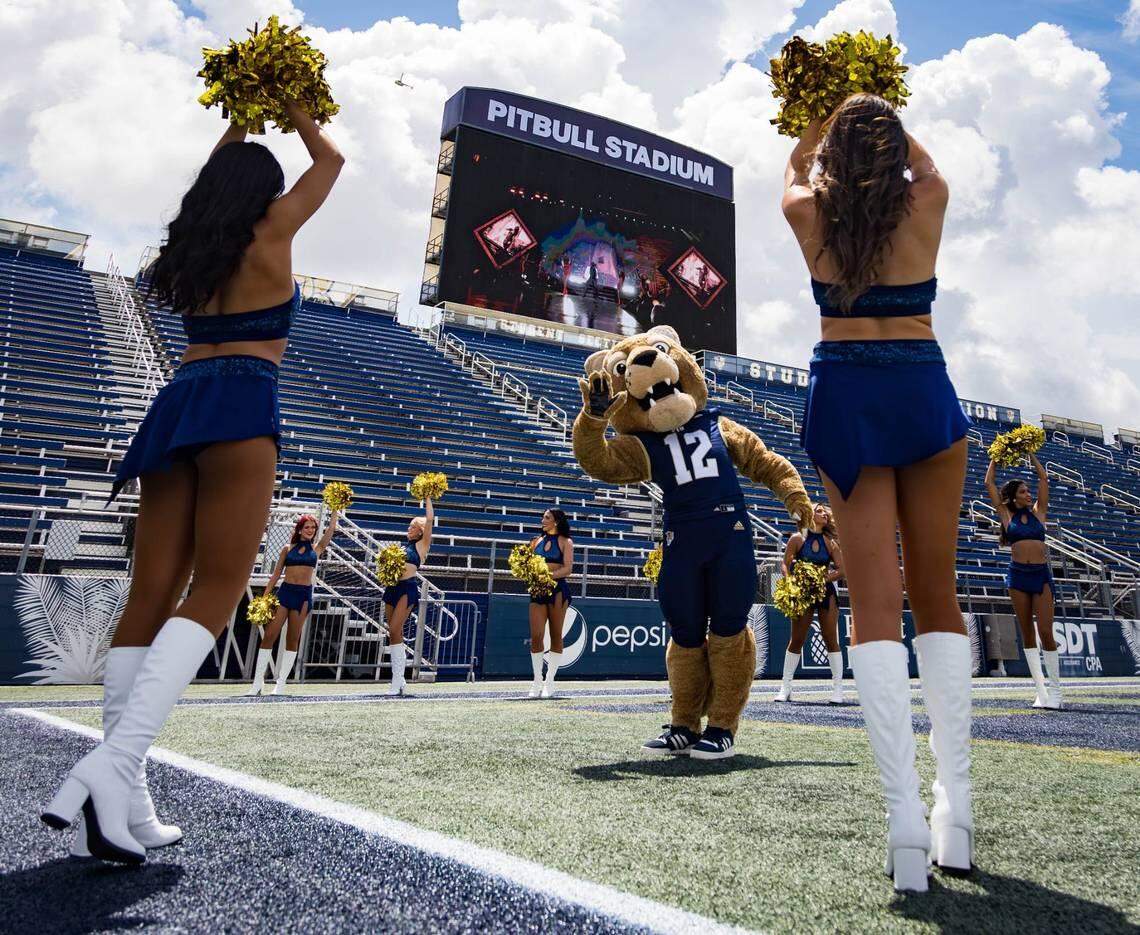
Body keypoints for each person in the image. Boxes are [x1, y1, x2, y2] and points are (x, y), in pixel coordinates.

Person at [42, 102, 343, 865]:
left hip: (176, 403)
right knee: (218, 588)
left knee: (149, 592)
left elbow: (221, 178)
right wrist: (299, 105)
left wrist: (241, 117)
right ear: (264, 197)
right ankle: (111, 765)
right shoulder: (271, 232)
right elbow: (331, 163)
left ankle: (126, 794)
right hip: (242, 398)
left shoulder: (198, 249)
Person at [782, 93, 973, 890]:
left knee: (873, 599)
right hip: (921, 384)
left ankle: (903, 823)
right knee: (938, 591)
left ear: (835, 157)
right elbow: (926, 166)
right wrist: (880, 109)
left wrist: (824, 113)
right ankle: (954, 811)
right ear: (893, 149)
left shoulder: (807, 211)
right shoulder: (927, 200)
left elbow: (791, 167)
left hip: (848, 389)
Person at [985, 454, 1061, 709]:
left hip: (1040, 575)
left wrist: (1030, 454)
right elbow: (989, 484)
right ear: (1015, 496)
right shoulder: (1006, 515)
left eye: (1029, 491)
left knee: (1046, 632)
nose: (1029, 494)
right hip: (1017, 575)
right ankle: (1040, 692)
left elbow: (1043, 478)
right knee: (1027, 633)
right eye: (1024, 491)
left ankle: (1056, 692)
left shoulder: (1039, 512)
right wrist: (996, 457)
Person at [247, 511, 339, 696]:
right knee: (269, 635)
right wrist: (264, 598)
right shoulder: (287, 548)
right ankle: (257, 683)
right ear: (300, 529)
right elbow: (276, 575)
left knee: (293, 638)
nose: (311, 530)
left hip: (303, 596)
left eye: (313, 527)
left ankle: (281, 683)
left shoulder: (316, 549)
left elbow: (330, 531)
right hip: (285, 593)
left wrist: (335, 511)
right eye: (307, 527)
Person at [773, 504, 846, 704]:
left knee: (830, 638)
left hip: (825, 593)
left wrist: (822, 580)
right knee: (797, 639)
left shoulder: (830, 543)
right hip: (802, 593)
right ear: (809, 512)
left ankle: (838, 689)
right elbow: (785, 564)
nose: (823, 513)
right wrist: (790, 583)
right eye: (819, 509)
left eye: (825, 512)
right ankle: (785, 687)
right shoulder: (798, 539)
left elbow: (842, 569)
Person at [384, 498, 434, 696]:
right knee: (393, 633)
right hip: (392, 588)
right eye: (409, 526)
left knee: (396, 627)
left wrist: (427, 497)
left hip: (407, 588)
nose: (409, 529)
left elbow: (430, 520)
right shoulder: (403, 547)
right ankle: (400, 679)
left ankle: (397, 681)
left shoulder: (421, 547)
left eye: (413, 526)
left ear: (420, 531)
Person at [528, 509, 574, 698]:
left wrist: (548, 576)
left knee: (556, 635)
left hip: (557, 591)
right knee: (536, 636)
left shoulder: (566, 542)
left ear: (556, 521)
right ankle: (537, 681)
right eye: (543, 517)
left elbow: (568, 569)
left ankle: (550, 681)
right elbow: (528, 565)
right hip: (538, 591)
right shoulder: (535, 541)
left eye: (547, 517)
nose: (543, 520)